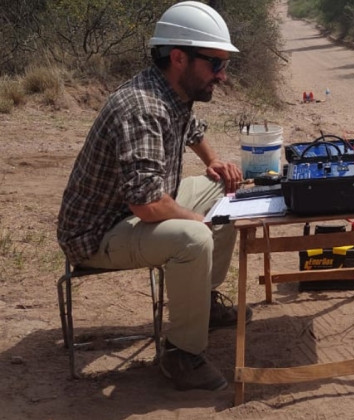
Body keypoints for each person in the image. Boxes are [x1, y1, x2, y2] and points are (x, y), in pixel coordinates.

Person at [57, 1, 248, 391]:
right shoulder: (142, 108)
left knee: (226, 193)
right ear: (179, 57)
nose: (223, 76)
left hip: (135, 208)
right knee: (197, 237)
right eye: (216, 64)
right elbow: (146, 205)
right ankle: (182, 356)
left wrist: (214, 162)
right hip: (98, 233)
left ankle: (200, 304)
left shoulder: (170, 90)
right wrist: (202, 222)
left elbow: (190, 127)